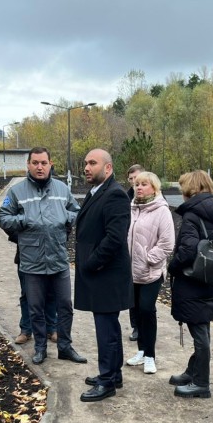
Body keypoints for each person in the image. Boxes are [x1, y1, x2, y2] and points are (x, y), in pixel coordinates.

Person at [0, 147, 87, 366]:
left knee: (65, 304)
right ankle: (40, 348)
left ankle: (65, 347)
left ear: (50, 164)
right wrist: (24, 220)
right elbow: (2, 218)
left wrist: (64, 217)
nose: (39, 167)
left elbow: (76, 211)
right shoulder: (17, 192)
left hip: (58, 259)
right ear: (28, 164)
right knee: (35, 308)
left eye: (43, 163)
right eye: (35, 162)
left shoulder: (61, 189)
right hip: (31, 261)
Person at [75, 149, 133, 402]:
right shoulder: (97, 191)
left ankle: (107, 380)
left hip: (106, 275)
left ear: (107, 168)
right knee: (108, 327)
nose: (86, 167)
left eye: (92, 163)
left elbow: (115, 238)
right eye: (85, 163)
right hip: (99, 274)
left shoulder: (115, 195)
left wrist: (91, 263)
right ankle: (114, 374)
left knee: (106, 330)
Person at [166, 170, 213, 399]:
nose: (181, 192)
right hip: (208, 277)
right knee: (201, 327)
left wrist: (172, 266)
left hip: (191, 280)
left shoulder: (192, 215)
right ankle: (193, 372)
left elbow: (188, 249)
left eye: (183, 187)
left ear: (191, 189)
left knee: (200, 333)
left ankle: (201, 383)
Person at [125, 171, 175, 375]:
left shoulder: (162, 210)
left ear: (154, 188)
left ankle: (150, 356)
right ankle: (141, 351)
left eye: (144, 184)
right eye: (136, 184)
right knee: (136, 311)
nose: (138, 187)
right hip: (131, 271)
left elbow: (167, 243)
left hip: (151, 271)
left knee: (147, 310)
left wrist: (148, 258)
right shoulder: (131, 208)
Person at [126, 164, 144, 342]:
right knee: (132, 294)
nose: (134, 182)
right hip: (130, 254)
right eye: (131, 179)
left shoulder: (154, 199)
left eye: (137, 178)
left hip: (146, 255)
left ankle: (146, 326)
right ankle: (136, 327)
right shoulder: (126, 199)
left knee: (145, 299)